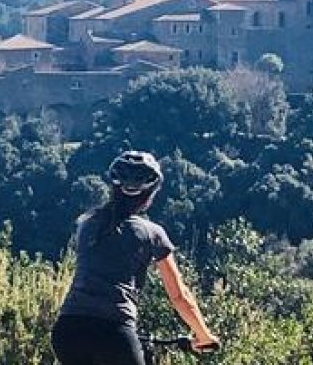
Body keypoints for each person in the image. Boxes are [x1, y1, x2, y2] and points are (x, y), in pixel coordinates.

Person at [51, 150, 220, 365]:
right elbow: (178, 295)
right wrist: (203, 335)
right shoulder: (152, 233)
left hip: (68, 329)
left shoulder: (86, 223)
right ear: (149, 194)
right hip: (114, 331)